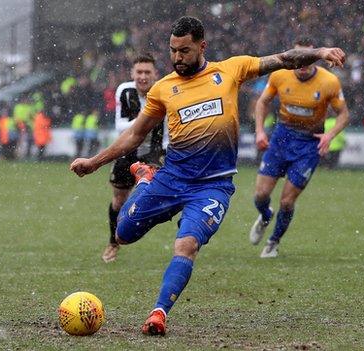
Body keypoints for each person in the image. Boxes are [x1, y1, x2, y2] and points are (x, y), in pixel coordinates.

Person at [70, 16, 345, 335]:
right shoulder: (163, 89)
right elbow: (134, 135)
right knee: (123, 234)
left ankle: (159, 313)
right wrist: (94, 162)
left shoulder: (230, 70)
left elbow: (284, 59)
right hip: (170, 179)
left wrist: (322, 51)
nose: (177, 58)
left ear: (202, 46)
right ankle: (146, 178)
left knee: (186, 246)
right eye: (172, 51)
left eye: (184, 51)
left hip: (212, 187)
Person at [249, 37, 349, 258]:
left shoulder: (329, 82)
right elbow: (262, 102)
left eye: (308, 58)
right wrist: (260, 131)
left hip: (308, 144)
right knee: (260, 195)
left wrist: (329, 135)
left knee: (287, 200)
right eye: (298, 57)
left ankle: (273, 242)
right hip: (281, 137)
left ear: (316, 57)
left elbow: (344, 114)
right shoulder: (279, 74)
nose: (302, 62)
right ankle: (265, 215)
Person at [102, 53, 164, 263]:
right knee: (119, 199)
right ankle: (113, 242)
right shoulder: (125, 91)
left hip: (155, 153)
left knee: (151, 198)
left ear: (156, 74)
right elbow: (121, 126)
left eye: (147, 72)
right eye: (139, 72)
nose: (143, 76)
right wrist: (146, 118)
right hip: (126, 150)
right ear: (132, 73)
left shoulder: (164, 91)